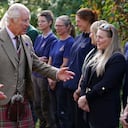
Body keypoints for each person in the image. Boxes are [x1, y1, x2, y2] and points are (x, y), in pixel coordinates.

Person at [0, 3, 74, 128]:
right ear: (12, 20)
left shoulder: (26, 40)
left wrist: (56, 73)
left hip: (23, 101)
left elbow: (35, 63)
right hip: (2, 101)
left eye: (28, 20)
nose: (28, 24)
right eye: (24, 20)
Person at [78, 23, 126, 128]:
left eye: (100, 37)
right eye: (97, 36)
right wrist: (83, 95)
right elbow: (85, 79)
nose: (97, 39)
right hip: (91, 108)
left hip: (106, 109)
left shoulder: (117, 59)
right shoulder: (97, 55)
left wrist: (86, 98)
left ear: (111, 39)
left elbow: (106, 84)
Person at [63, 8, 98, 128]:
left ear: (87, 20)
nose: (76, 24)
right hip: (69, 83)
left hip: (80, 85)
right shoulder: (78, 38)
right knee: (69, 119)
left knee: (80, 121)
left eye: (79, 21)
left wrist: (80, 87)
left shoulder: (92, 40)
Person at [48, 15, 75, 128]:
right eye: (56, 26)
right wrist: (49, 76)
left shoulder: (70, 42)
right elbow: (50, 61)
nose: (57, 28)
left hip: (61, 81)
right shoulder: (55, 42)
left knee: (62, 111)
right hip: (51, 78)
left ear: (68, 27)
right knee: (53, 111)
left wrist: (55, 78)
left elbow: (65, 63)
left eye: (60, 26)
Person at [32, 10, 57, 128]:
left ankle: (49, 125)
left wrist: (38, 59)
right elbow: (34, 54)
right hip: (34, 74)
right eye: (39, 21)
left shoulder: (53, 39)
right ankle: (42, 124)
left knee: (45, 104)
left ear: (50, 22)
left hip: (43, 75)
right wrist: (37, 59)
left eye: (43, 21)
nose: (40, 23)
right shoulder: (38, 37)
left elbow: (48, 58)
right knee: (36, 104)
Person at [73, 20, 108, 102]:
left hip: (95, 99)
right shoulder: (92, 52)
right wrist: (79, 90)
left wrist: (86, 96)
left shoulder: (107, 56)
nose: (90, 35)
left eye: (92, 33)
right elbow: (84, 72)